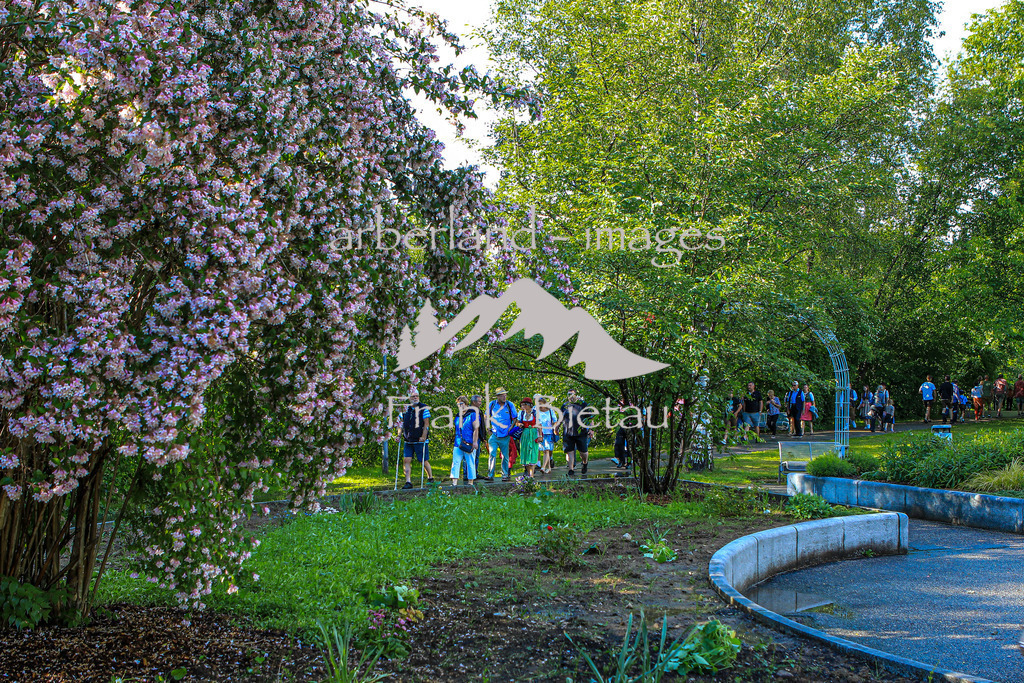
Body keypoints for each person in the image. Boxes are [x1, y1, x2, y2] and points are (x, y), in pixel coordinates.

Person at [401, 390, 432, 489]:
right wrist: (398, 435)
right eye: (413, 396)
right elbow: (401, 424)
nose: (415, 398)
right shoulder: (405, 409)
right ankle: (408, 482)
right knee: (406, 459)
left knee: (423, 460)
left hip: (419, 439)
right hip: (408, 439)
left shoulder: (424, 408)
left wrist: (423, 436)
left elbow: (426, 424)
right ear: (409, 398)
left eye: (417, 396)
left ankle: (430, 478)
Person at [487, 388, 517, 482]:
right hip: (494, 434)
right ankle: (490, 475)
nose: (504, 397)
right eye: (502, 395)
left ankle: (505, 474)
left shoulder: (509, 405)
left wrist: (511, 428)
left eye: (505, 395)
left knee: (505, 456)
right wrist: (487, 427)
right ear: (497, 396)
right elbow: (486, 416)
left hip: (505, 435)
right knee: (492, 453)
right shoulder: (492, 404)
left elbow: (515, 418)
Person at [449, 396, 478, 486]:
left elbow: (476, 428)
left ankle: (470, 482)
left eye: (461, 403)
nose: (460, 406)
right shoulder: (458, 416)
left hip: (469, 442)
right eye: (458, 404)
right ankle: (454, 482)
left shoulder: (472, 414)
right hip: (458, 442)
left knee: (470, 462)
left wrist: (475, 442)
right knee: (455, 461)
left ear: (466, 404)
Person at [562, 390, 590, 475]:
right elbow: (561, 418)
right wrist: (556, 427)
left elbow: (589, 418)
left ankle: (585, 463)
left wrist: (591, 429)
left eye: (572, 394)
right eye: (569, 394)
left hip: (581, 432)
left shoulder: (582, 404)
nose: (570, 396)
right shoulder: (565, 405)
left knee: (583, 452)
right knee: (569, 451)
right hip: (568, 432)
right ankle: (571, 469)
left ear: (576, 395)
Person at [517, 397, 541, 478]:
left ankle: (532, 475)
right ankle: (528, 472)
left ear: (529, 405)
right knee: (525, 452)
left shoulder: (535, 413)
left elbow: (539, 425)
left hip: (533, 433)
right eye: (522, 405)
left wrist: (540, 436)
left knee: (533, 452)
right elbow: (517, 422)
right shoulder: (521, 413)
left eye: (525, 404)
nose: (523, 406)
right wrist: (519, 424)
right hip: (525, 434)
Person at [536, 395, 558, 474]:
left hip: (549, 433)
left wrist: (554, 428)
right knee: (544, 450)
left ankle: (543, 467)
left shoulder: (550, 411)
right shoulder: (536, 411)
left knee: (547, 450)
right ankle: (548, 468)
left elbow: (555, 421)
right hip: (540, 433)